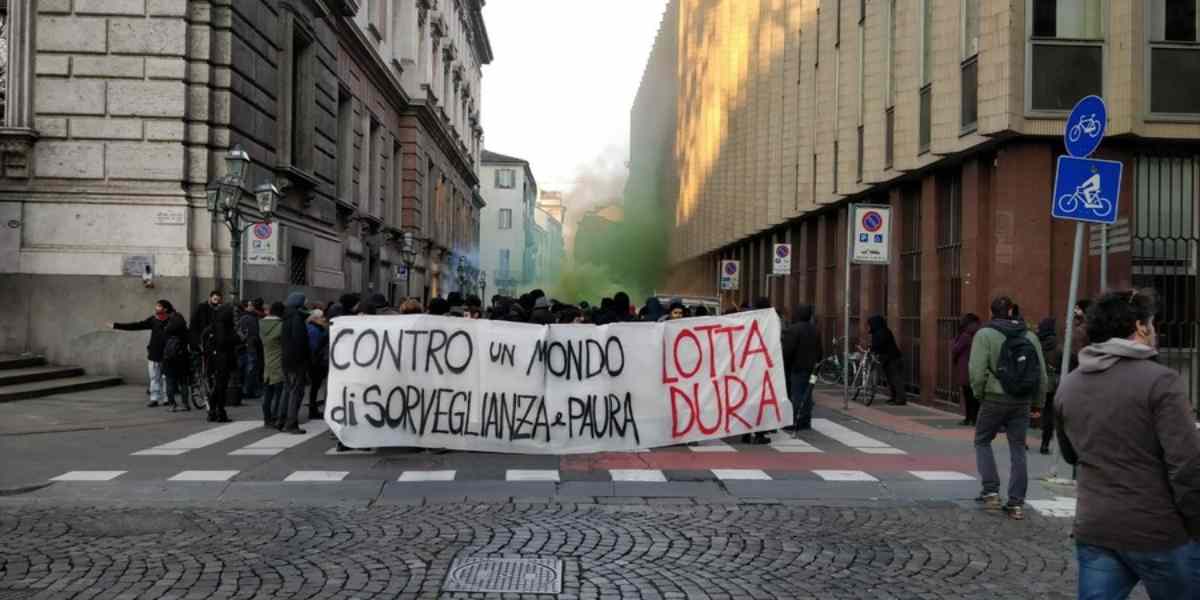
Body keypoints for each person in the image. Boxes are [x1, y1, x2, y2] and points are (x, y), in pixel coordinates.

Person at [1056, 289, 1200, 599]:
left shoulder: (1069, 384)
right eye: (1152, 323)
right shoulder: (1161, 381)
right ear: (1139, 327)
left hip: (1096, 527)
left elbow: (1070, 454)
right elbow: (1187, 464)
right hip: (1159, 531)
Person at [968, 296, 1047, 520]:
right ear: (1012, 311)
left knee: (982, 440)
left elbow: (976, 370)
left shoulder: (984, 334)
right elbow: (1040, 373)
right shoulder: (1030, 335)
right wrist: (1038, 402)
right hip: (1021, 400)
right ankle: (1016, 503)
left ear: (991, 312)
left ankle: (991, 491)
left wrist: (979, 394)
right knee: (1018, 448)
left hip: (993, 397)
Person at [112, 300, 188, 409]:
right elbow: (137, 325)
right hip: (154, 353)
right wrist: (116, 325)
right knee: (154, 377)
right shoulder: (153, 320)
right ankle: (154, 398)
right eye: (156, 306)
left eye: (159, 306)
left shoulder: (173, 320)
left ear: (165, 308)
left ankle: (167, 398)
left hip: (168, 354)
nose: (156, 308)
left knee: (166, 378)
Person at [781, 304, 822, 431]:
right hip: (812, 368)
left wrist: (785, 363)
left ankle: (795, 421)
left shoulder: (793, 329)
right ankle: (805, 420)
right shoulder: (815, 330)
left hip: (797, 367)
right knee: (808, 393)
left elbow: (788, 350)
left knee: (797, 394)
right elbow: (820, 350)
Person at [280, 292, 310, 434]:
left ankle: (283, 419)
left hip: (287, 359)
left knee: (289, 390)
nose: (306, 303)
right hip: (296, 361)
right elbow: (300, 341)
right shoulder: (296, 318)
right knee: (296, 392)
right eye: (305, 300)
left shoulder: (287, 316)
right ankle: (291, 423)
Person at [207, 304, 238, 423]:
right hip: (222, 360)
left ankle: (214, 411)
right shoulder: (223, 326)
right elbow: (223, 341)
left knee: (218, 386)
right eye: (233, 313)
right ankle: (219, 412)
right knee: (220, 387)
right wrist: (237, 339)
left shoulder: (217, 323)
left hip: (217, 359)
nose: (234, 316)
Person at [866, 315, 906, 405]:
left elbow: (878, 345)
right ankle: (894, 397)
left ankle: (900, 399)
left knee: (895, 379)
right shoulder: (880, 332)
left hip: (893, 359)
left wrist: (872, 349)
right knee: (890, 379)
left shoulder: (881, 333)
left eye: (870, 324)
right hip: (888, 359)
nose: (869, 327)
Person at [1035, 317, 1061, 455]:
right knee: (1049, 414)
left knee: (1030, 409)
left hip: (1038, 382)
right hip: (1053, 383)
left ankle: (1022, 442)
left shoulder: (1037, 344)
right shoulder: (1058, 346)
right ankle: (1045, 443)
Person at [952, 313, 982, 426]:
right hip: (972, 367)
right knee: (972, 395)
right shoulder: (976, 334)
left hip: (965, 368)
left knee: (968, 395)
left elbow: (955, 349)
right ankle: (972, 418)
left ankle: (970, 418)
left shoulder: (965, 336)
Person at [259, 301, 285, 428]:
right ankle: (275, 417)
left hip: (266, 363)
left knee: (267, 393)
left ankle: (267, 418)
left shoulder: (261, 324)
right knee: (278, 393)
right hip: (279, 363)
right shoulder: (281, 326)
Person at [306, 309, 330, 420]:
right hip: (316, 364)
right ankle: (312, 410)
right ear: (315, 319)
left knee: (315, 387)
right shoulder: (314, 330)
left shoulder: (314, 328)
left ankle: (313, 409)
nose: (324, 319)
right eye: (322, 317)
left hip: (314, 362)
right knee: (315, 387)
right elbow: (315, 348)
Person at [237, 298, 262, 400]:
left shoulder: (248, 317)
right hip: (250, 346)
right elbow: (250, 334)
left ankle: (248, 390)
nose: (252, 307)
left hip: (248, 346)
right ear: (246, 307)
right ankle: (248, 390)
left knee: (248, 369)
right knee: (250, 369)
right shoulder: (248, 318)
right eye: (250, 305)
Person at [1069, 299, 1092, 371]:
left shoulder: (1081, 330)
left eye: (1077, 309)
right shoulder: (1084, 327)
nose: (1074, 311)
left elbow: (1078, 353)